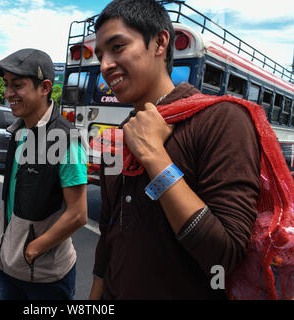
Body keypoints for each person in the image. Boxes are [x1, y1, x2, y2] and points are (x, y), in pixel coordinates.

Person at [89, 0, 261, 299]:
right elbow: (109, 231)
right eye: (100, 54)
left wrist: (156, 157)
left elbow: (224, 255)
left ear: (159, 42)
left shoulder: (221, 120)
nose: (104, 65)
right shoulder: (122, 134)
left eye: (117, 47)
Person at [0, 48, 88, 300]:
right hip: (5, 267)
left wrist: (32, 250)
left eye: (18, 85)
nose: (8, 93)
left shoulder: (65, 139)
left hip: (44, 278)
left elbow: (78, 215)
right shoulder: (19, 130)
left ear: (44, 87)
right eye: (7, 84)